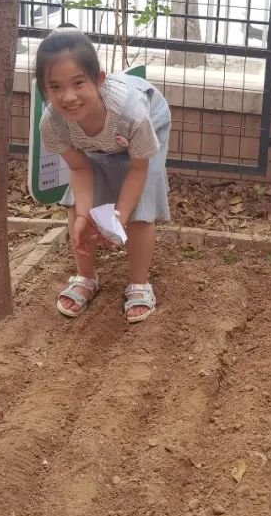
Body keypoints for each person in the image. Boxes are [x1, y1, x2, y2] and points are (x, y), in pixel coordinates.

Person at [37, 26, 172, 323]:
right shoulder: (53, 124)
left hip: (143, 128)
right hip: (99, 142)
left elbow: (138, 169)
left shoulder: (132, 113)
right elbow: (79, 167)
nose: (68, 96)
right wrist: (86, 214)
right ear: (44, 89)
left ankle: (139, 283)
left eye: (77, 83)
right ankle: (86, 277)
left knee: (140, 202)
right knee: (76, 203)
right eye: (55, 87)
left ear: (98, 80)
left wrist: (119, 217)